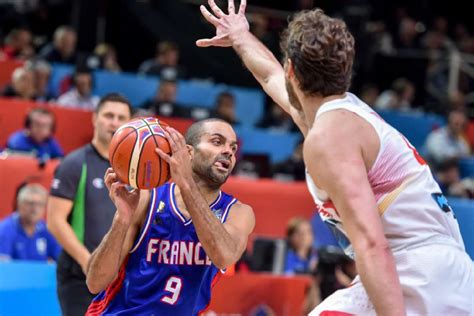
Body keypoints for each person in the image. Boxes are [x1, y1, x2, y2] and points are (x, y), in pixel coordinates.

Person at [197, 1, 474, 314]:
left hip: (418, 275)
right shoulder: (332, 114)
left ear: (293, 71)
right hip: (432, 269)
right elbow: (269, 75)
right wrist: (240, 35)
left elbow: (371, 244)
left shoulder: (330, 138)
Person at [85, 118, 255, 315]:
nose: (228, 152)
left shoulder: (238, 213)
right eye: (217, 142)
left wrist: (186, 184)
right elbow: (95, 283)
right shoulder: (148, 198)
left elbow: (224, 256)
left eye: (233, 148)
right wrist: (121, 220)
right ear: (188, 153)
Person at [47, 93, 133, 316]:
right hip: (79, 274)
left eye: (121, 117)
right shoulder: (75, 163)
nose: (114, 122)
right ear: (95, 119)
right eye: (108, 115)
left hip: (119, 276)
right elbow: (55, 221)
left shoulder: (134, 171)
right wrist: (89, 264)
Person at [0, 184, 61, 261]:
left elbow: (60, 258)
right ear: (19, 204)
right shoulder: (4, 230)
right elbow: (3, 268)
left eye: (40, 204)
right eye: (30, 204)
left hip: (40, 273)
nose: (35, 209)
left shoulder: (46, 230)